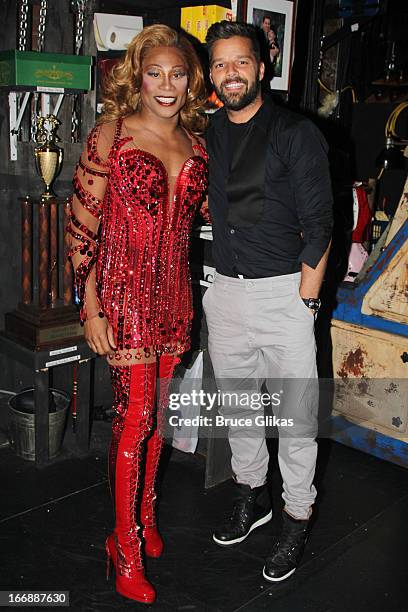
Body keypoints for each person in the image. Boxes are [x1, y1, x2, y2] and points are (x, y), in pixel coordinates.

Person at [68, 24, 208, 604]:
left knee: (157, 425)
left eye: (178, 73)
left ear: (190, 79)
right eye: (156, 73)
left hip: (175, 297)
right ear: (137, 76)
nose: (167, 85)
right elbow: (82, 224)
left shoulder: (199, 144)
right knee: (133, 421)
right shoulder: (113, 134)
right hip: (122, 298)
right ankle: (121, 545)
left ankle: (144, 518)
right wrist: (90, 306)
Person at [204, 21, 333, 582]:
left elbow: (320, 225)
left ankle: (296, 515)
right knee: (238, 409)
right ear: (211, 75)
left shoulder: (294, 132)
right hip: (225, 293)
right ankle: (251, 495)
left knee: (298, 418)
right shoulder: (206, 131)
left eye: (241, 62)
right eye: (220, 65)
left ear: (261, 68)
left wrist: (305, 302)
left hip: (285, 294)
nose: (230, 74)